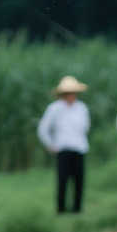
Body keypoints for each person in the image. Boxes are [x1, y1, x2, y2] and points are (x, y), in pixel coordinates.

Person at [38, 76, 91, 215]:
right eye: (68, 93)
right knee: (62, 180)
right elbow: (43, 129)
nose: (71, 95)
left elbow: (86, 127)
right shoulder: (54, 108)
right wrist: (50, 145)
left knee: (79, 180)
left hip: (79, 148)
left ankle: (77, 209)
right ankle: (61, 210)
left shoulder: (82, 108)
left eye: (73, 92)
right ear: (63, 94)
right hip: (63, 149)